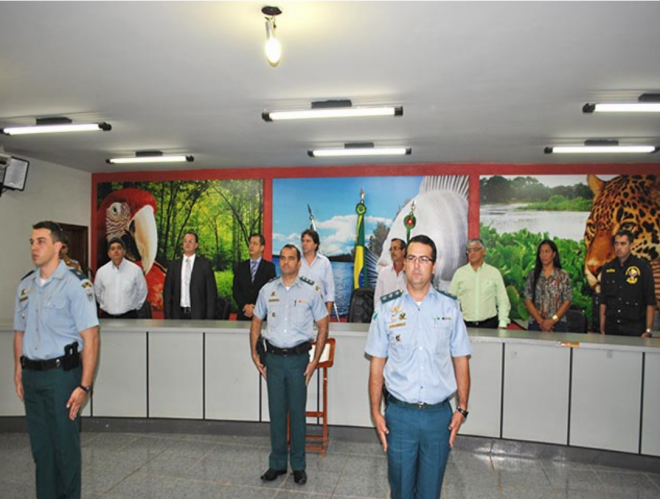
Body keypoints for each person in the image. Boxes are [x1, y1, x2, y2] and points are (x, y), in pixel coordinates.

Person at [365, 234, 472, 499]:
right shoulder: (387, 309)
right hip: (400, 416)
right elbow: (377, 365)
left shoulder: (450, 307)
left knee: (430, 491)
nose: (416, 265)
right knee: (400, 489)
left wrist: (462, 408)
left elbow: (461, 359)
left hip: (438, 418)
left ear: (434, 266)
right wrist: (375, 412)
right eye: (411, 258)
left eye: (424, 259)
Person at [13, 221, 99, 499]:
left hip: (62, 377)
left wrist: (84, 386)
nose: (34, 247)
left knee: (64, 448)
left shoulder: (76, 285)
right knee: (41, 449)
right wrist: (18, 369)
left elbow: (92, 338)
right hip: (32, 376)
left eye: (41, 241)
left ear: (58, 247)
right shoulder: (25, 286)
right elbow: (20, 332)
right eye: (31, 242)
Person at [250, 244, 329, 486]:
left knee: (297, 414)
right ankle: (276, 464)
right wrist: (254, 353)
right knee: (276, 413)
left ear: (298, 263)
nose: (285, 262)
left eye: (290, 258)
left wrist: (315, 360)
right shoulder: (267, 290)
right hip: (272, 360)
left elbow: (324, 325)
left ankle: (299, 466)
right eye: (282, 258)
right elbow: (256, 321)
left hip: (298, 361)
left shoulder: (310, 291)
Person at [599, 230, 656, 337]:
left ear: (631, 245)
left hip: (634, 327)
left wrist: (648, 330)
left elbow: (650, 301)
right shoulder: (607, 268)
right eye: (616, 243)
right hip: (612, 327)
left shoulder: (643, 268)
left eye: (623, 244)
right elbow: (603, 301)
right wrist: (602, 328)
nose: (619, 247)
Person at [449, 237, 510, 329]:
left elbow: (502, 301)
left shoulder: (494, 273)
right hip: (465, 325)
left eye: (475, 250)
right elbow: (450, 301)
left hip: (490, 325)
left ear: (484, 251)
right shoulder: (460, 273)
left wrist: (502, 324)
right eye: (469, 251)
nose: (472, 253)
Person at [163, 231, 218, 320]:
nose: (187, 244)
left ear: (196, 245)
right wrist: (168, 316)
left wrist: (209, 318)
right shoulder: (174, 266)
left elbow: (211, 294)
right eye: (185, 241)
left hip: (198, 316)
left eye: (190, 241)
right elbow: (167, 293)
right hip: (177, 315)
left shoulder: (204, 265)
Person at [524, 239, 572, 332]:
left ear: (554, 254)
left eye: (547, 251)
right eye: (541, 252)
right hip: (536, 324)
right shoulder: (532, 275)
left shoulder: (562, 275)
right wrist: (541, 321)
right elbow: (527, 300)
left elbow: (567, 301)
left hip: (557, 324)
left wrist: (552, 320)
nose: (544, 255)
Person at [94, 237, 148, 319]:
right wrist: (106, 305)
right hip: (107, 317)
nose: (116, 251)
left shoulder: (135, 270)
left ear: (124, 252)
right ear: (109, 253)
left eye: (119, 248)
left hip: (129, 317)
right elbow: (97, 293)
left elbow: (142, 291)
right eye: (112, 249)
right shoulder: (101, 271)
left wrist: (135, 306)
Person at [233, 233, 277, 321]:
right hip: (243, 315)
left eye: (255, 244)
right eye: (250, 243)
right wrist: (245, 306)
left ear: (262, 248)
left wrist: (255, 308)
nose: (251, 246)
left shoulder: (269, 267)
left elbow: (271, 291)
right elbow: (236, 290)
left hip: (261, 316)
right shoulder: (241, 267)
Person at [299, 229, 335, 317]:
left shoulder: (324, 262)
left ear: (315, 245)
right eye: (303, 241)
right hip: (298, 310)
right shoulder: (296, 261)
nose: (304, 244)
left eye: (308, 241)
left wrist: (328, 313)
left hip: (319, 311)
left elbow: (330, 290)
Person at [373, 238, 407, 303]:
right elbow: (377, 299)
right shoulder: (383, 272)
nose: (392, 252)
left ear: (403, 251)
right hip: (386, 311)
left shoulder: (411, 273)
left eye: (395, 248)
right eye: (391, 249)